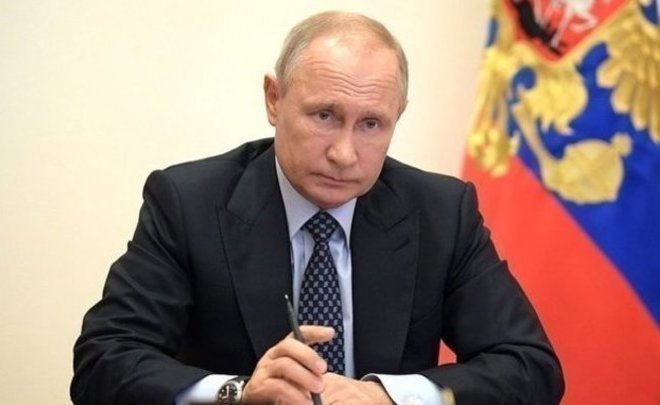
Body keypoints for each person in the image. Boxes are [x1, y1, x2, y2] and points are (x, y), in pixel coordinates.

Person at [71, 10, 564, 405]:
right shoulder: (188, 202)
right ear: (274, 99)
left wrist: (389, 396)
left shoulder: (442, 212)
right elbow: (103, 362)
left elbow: (531, 367)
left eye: (371, 124)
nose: (345, 154)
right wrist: (238, 392)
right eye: (325, 115)